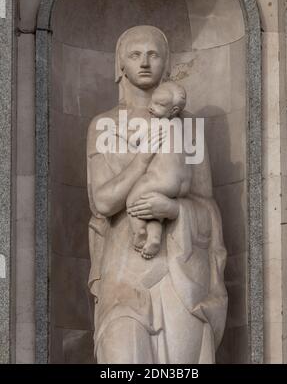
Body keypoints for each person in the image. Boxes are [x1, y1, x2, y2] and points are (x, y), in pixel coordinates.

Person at [87, 25, 227, 364]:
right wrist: (144, 158)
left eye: (153, 54)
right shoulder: (104, 126)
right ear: (120, 64)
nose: (145, 63)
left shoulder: (188, 127)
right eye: (135, 55)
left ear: (166, 63)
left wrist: (174, 210)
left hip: (181, 275)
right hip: (123, 273)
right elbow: (102, 203)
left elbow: (207, 207)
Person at [126, 81, 192, 260]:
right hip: (183, 182)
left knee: (133, 201)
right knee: (153, 213)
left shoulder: (156, 125)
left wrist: (123, 135)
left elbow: (134, 141)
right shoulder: (181, 126)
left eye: (159, 104)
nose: (151, 107)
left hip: (162, 178)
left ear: (173, 110)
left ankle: (139, 232)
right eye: (153, 102)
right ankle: (154, 237)